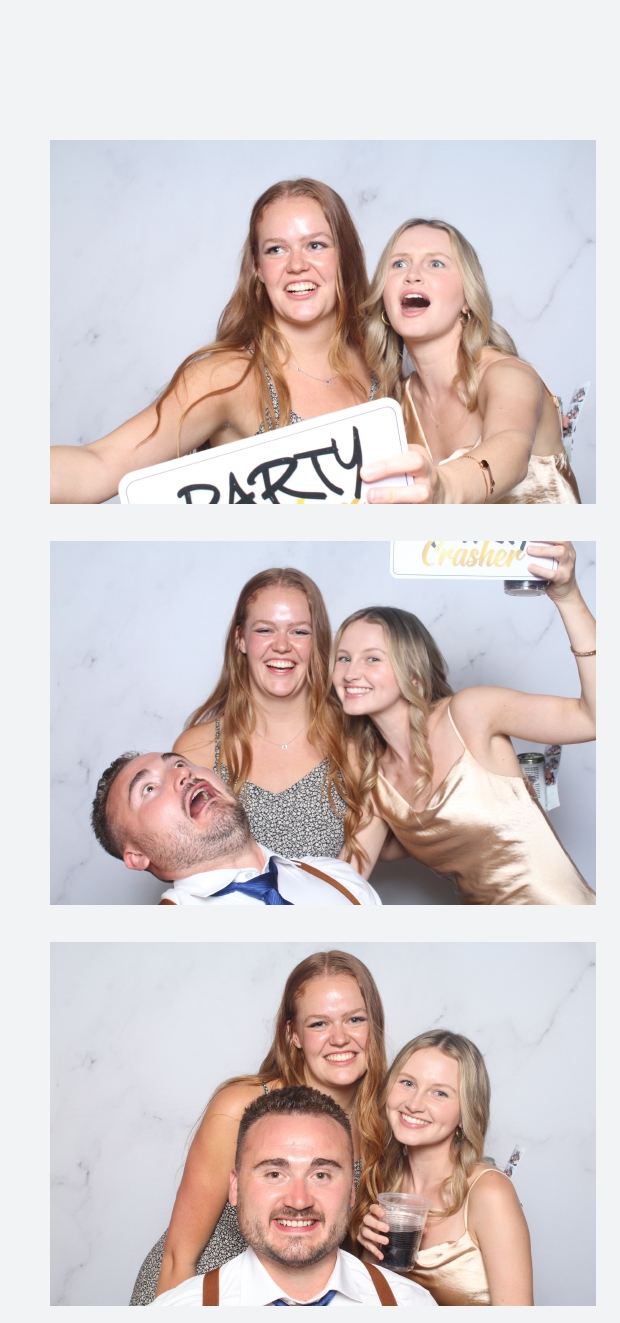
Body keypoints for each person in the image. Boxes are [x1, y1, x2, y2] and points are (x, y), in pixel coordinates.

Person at [50, 179, 377, 503]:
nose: (297, 265)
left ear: (345, 254)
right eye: (276, 249)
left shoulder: (382, 361)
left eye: (315, 245)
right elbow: (99, 464)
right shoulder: (228, 377)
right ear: (258, 268)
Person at [330, 542, 596, 905]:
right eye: (343, 658)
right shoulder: (377, 782)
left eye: (372, 658)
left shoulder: (470, 713)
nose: (350, 673)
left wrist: (568, 597)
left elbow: (593, 719)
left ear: (414, 674)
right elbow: (343, 884)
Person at [131, 950, 387, 1304]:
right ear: (293, 1034)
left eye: (355, 1019)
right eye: (319, 1024)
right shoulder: (240, 1108)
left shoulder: (382, 1126)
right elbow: (178, 1256)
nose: (340, 1038)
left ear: (375, 1026)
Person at [359, 218, 581, 505]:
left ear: (467, 299)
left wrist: (446, 487)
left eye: (435, 263)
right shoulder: (393, 407)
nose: (412, 275)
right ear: (384, 299)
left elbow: (512, 448)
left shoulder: (508, 375)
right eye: (399, 264)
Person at [152, 1087, 437, 1308]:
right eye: (275, 1174)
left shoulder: (411, 1305)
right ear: (235, 1188)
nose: (299, 1201)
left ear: (352, 1190)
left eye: (321, 1175)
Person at [172, 565, 362, 862]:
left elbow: (386, 844)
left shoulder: (353, 744)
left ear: (318, 642)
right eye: (265, 630)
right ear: (241, 638)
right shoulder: (197, 750)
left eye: (299, 632)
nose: (282, 646)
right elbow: (184, 864)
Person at [355, 1032, 533, 1306]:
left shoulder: (490, 1193)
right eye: (407, 1083)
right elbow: (370, 1303)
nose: (414, 1104)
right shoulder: (381, 1182)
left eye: (439, 1093)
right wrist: (369, 1252)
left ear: (465, 1113)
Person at [89, 752, 381, 906]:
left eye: (179, 763)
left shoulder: (339, 877)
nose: (182, 772)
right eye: (148, 788)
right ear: (137, 856)